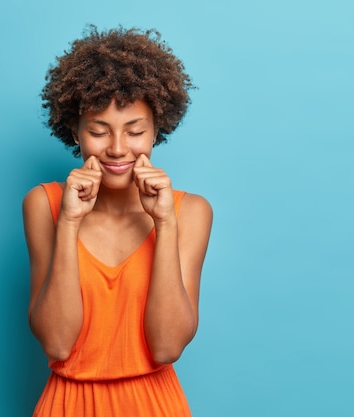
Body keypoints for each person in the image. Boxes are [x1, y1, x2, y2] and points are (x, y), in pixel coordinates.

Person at [22, 25, 213, 417]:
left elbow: (167, 347)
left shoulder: (190, 212)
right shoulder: (44, 205)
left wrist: (165, 223)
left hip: (155, 406)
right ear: (74, 131)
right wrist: (70, 222)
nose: (117, 148)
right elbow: (57, 345)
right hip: (67, 405)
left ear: (157, 130)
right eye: (98, 131)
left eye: (135, 130)